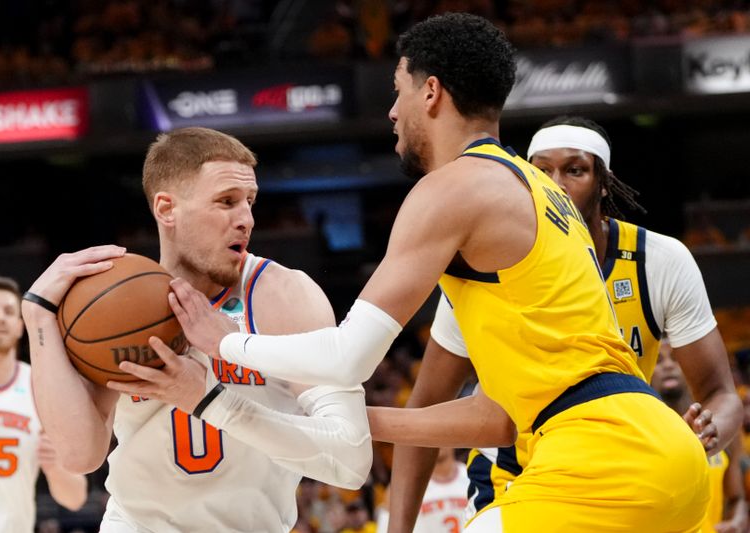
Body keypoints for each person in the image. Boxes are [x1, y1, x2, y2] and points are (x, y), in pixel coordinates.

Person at [168, 13, 712, 532]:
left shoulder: (453, 189)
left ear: (430, 92)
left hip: (601, 460)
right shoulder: (539, 191)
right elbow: (499, 418)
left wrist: (227, 343)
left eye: (397, 89)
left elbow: (348, 357)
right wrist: (360, 422)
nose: (391, 112)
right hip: (665, 456)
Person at [377, 115, 743, 531]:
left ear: (604, 182)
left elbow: (720, 393)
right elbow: (425, 403)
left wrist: (708, 432)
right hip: (517, 469)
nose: (557, 182)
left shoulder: (658, 260)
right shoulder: (486, 270)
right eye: (542, 170)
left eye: (575, 169)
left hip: (626, 462)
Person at [20, 127, 372, 532]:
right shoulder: (111, 310)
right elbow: (80, 455)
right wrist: (38, 316)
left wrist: (207, 398)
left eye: (250, 202)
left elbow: (349, 461)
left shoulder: (285, 297)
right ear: (167, 209)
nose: (246, 219)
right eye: (226, 202)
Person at [0, 276, 87, 533]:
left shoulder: (40, 387)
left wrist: (56, 467)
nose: (0, 318)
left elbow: (75, 498)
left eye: (9, 311)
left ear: (20, 326)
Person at [652, 338, 748, 533]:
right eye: (658, 361)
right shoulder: (645, 428)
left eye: (675, 358)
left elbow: (736, 498)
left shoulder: (718, 422)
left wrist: (737, 520)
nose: (669, 365)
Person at [376, 447, 469, 533]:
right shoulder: (403, 485)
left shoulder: (471, 476)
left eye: (441, 435)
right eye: (434, 436)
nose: (439, 443)